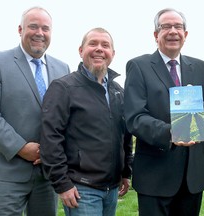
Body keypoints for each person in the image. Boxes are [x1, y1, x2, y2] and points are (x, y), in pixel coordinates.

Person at [124, 8, 204, 216]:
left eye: (178, 27)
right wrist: (172, 132)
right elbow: (135, 117)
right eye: (165, 26)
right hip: (154, 176)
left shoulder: (201, 67)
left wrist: (193, 107)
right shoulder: (138, 66)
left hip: (192, 177)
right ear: (156, 35)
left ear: (185, 35)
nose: (172, 31)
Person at [40, 27, 133, 216]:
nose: (99, 49)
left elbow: (125, 136)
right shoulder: (64, 88)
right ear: (81, 51)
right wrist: (62, 183)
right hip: (81, 189)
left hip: (112, 189)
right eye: (93, 43)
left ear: (112, 54)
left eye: (105, 45)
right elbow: (50, 138)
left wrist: (125, 172)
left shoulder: (119, 92)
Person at [0, 6, 70, 216]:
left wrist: (53, 150)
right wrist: (21, 148)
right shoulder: (0, 63)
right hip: (8, 172)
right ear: (20, 29)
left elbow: (67, 117)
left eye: (45, 28)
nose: (40, 33)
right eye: (33, 26)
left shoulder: (62, 68)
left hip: (48, 176)